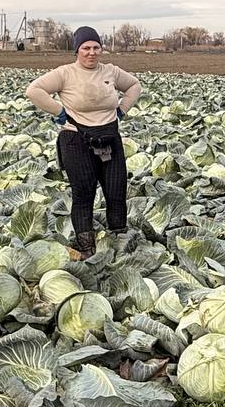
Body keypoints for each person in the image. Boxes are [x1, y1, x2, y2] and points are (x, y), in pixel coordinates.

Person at [26, 26, 142, 257]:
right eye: (86, 48)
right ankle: (86, 245)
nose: (91, 52)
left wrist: (122, 110)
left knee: (116, 190)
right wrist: (58, 112)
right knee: (84, 192)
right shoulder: (65, 73)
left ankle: (119, 238)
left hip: (109, 137)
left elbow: (134, 85)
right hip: (77, 139)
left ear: (101, 49)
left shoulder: (110, 71)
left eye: (96, 47)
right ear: (77, 50)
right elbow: (34, 90)